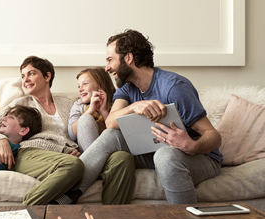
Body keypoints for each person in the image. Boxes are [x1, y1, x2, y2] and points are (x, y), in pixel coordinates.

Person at [81, 29, 223, 204]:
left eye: (110, 60)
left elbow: (214, 136)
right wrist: (134, 107)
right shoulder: (127, 87)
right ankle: (69, 193)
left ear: (129, 58)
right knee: (112, 135)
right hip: (152, 151)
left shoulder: (174, 87)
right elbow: (110, 122)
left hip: (198, 158)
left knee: (165, 155)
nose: (107, 68)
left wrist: (192, 146)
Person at [0, 56, 135, 205]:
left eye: (31, 73)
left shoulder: (69, 103)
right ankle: (28, 209)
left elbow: (79, 132)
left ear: (47, 76)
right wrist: (0, 140)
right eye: (23, 76)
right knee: (72, 164)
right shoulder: (20, 104)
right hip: (32, 153)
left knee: (123, 158)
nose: (26, 79)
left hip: (73, 156)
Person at [68, 67, 115, 153]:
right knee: (85, 118)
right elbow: (72, 134)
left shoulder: (116, 102)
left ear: (101, 85)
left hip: (110, 149)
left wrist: (103, 111)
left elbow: (117, 132)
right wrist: (90, 110)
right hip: (88, 153)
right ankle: (92, 158)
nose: (80, 89)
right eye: (78, 86)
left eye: (85, 84)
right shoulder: (78, 105)